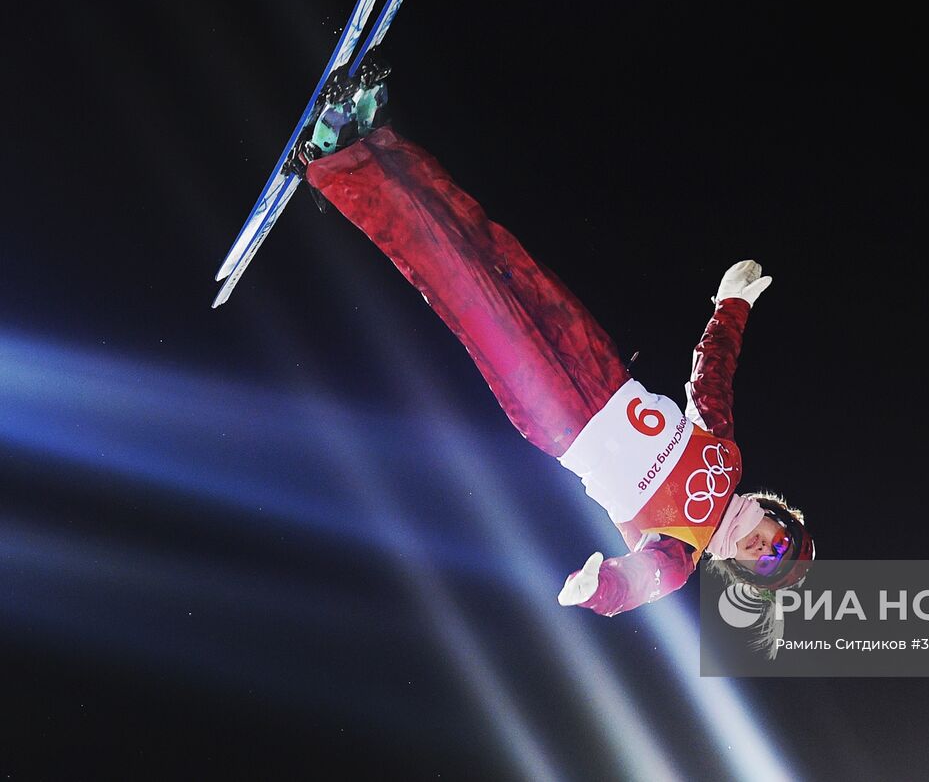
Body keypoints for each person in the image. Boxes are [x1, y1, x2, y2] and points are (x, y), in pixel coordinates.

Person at [303, 125, 814, 619]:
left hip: (563, 417)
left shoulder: (682, 554)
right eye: (781, 542)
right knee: (496, 250)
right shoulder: (726, 454)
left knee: (460, 279)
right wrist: (732, 304)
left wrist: (600, 588)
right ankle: (380, 145)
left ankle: (338, 163)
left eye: (766, 563)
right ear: (779, 519)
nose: (764, 546)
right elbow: (713, 377)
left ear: (747, 571)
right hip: (605, 369)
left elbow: (640, 581)